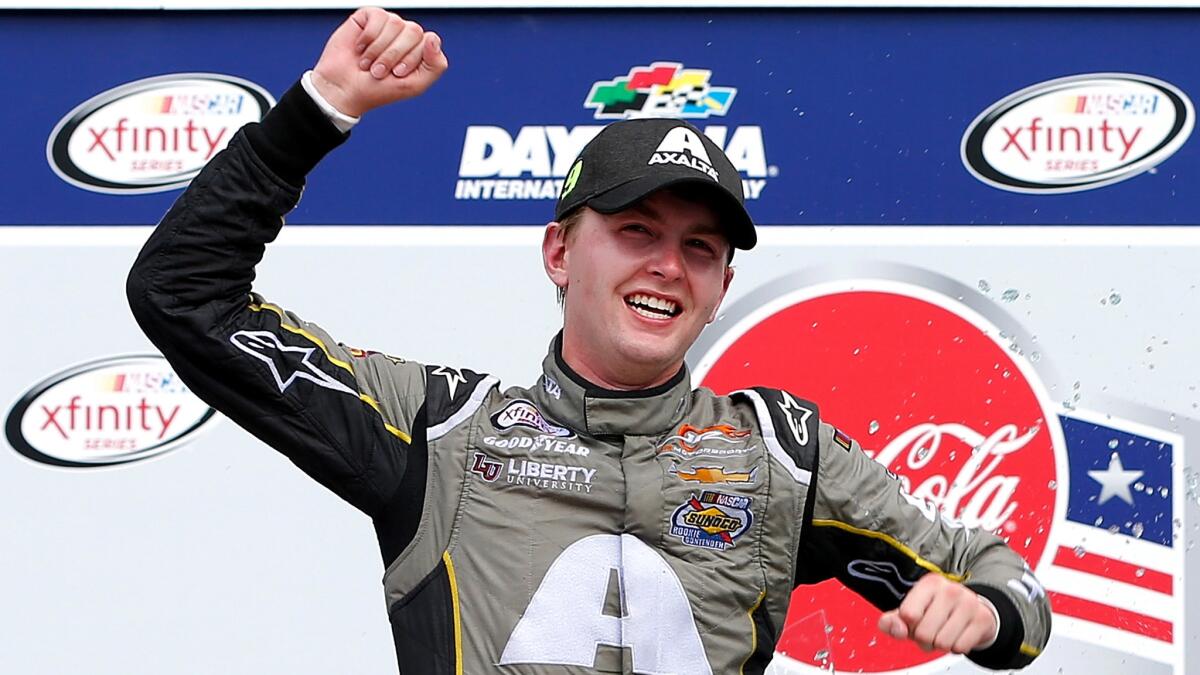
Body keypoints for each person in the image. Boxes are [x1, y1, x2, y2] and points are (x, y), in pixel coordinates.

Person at [127, 7, 1050, 674]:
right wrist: (320, 105)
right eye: (637, 232)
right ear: (560, 251)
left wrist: (986, 610)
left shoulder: (779, 453)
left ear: (723, 284)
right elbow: (184, 295)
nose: (668, 267)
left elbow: (1011, 589)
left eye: (700, 248)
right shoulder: (440, 429)